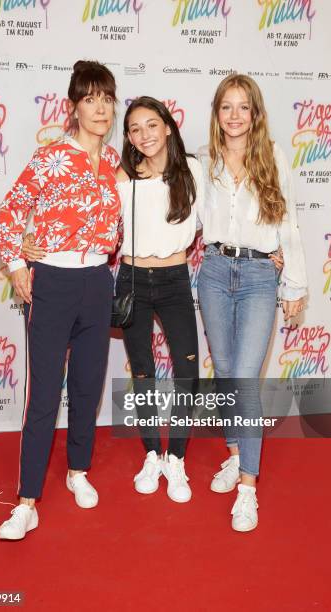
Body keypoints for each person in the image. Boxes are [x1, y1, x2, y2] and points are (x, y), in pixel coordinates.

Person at [0, 60, 121, 540]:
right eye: (90, 99)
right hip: (52, 283)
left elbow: (120, 223)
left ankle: (78, 471)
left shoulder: (114, 163)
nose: (100, 108)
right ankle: (27, 501)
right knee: (44, 393)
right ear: (73, 107)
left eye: (106, 98)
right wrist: (16, 263)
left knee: (88, 388)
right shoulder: (50, 156)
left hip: (97, 283)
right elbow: (11, 210)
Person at [197, 74, 307, 531]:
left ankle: (247, 487)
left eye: (244, 106)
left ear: (255, 113)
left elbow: (289, 221)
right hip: (215, 273)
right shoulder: (204, 160)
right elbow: (183, 213)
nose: (235, 115)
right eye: (227, 106)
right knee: (224, 371)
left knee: (243, 379)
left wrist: (294, 285)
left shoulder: (273, 156)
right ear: (217, 113)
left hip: (262, 274)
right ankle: (236, 452)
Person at [116, 97, 204, 503]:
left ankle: (177, 458)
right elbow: (87, 221)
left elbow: (221, 223)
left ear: (168, 127)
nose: (144, 135)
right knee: (143, 372)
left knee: (188, 373)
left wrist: (271, 250)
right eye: (135, 129)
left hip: (174, 279)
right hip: (132, 278)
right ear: (129, 137)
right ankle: (152, 453)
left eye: (152, 125)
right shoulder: (121, 176)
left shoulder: (193, 171)